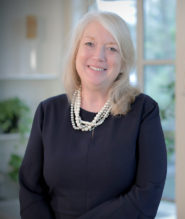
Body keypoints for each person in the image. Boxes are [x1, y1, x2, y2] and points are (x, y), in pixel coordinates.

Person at [19, 11, 167, 219]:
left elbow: (147, 193)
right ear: (76, 52)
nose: (99, 56)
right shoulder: (48, 111)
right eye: (89, 44)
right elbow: (30, 188)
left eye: (112, 48)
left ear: (123, 62)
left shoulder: (144, 111)